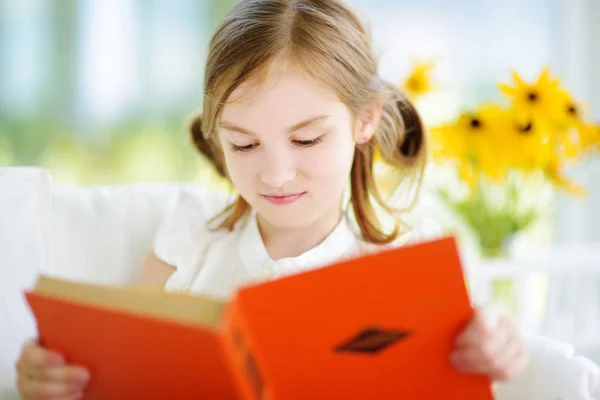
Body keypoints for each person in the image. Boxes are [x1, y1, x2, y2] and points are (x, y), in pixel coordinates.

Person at [14, 0, 529, 398]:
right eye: (244, 144)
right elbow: (126, 379)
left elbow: (476, 361)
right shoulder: (186, 244)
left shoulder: (407, 265)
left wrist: (497, 347)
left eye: (306, 139)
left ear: (365, 119)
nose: (277, 174)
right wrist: (57, 380)